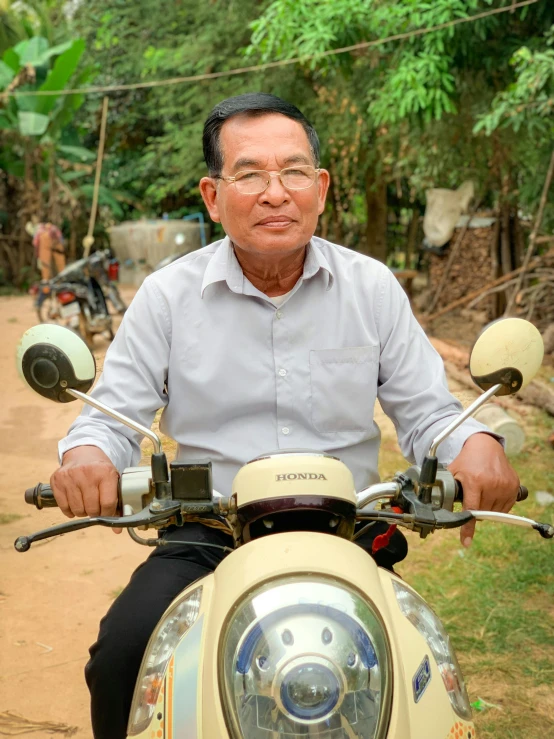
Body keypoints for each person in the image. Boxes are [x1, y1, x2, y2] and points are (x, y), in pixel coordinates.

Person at [52, 93, 519, 739]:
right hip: (207, 533)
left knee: (419, 674)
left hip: (345, 536)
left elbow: (428, 409)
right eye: (250, 174)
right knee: (123, 656)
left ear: (320, 188)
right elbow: (112, 413)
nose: (276, 192)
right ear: (213, 195)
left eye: (294, 171)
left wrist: (476, 440)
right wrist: (87, 456)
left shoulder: (371, 287)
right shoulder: (167, 296)